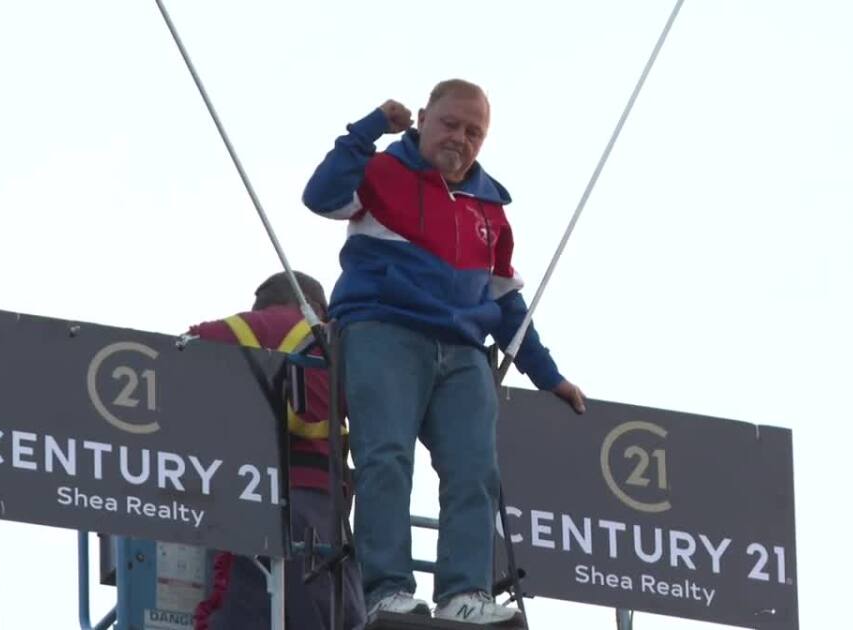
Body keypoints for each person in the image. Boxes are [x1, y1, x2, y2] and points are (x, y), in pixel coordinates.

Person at [302, 79, 586, 624]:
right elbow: (321, 198)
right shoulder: (382, 171)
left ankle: (464, 595)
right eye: (450, 124)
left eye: (474, 132)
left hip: (462, 351)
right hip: (383, 331)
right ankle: (386, 588)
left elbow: (506, 305)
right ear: (423, 118)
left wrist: (549, 376)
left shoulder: (491, 209)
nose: (460, 138)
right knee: (385, 458)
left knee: (475, 471)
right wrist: (367, 130)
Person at [190, 271, 364, 630]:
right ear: (317, 307)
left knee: (239, 609)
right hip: (317, 506)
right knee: (336, 615)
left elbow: (172, 368)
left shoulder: (220, 333)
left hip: (243, 496)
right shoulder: (335, 343)